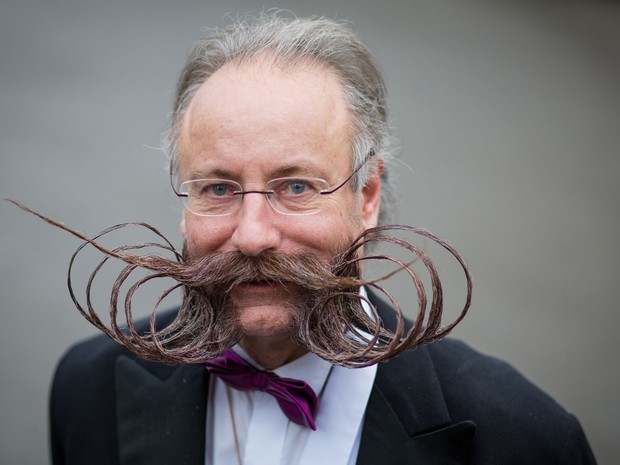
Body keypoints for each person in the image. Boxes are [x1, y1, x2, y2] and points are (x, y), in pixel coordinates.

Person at [48, 12, 596, 465]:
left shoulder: (522, 435)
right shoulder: (87, 389)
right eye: (218, 187)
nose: (253, 235)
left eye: (296, 186)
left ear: (367, 196)